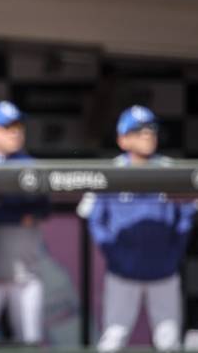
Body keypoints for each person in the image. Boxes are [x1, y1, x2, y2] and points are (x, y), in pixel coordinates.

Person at [82, 105, 195, 352]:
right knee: (113, 338)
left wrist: (173, 253)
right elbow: (93, 218)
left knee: (169, 341)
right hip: (123, 275)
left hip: (164, 273)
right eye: (138, 130)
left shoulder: (171, 170)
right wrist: (115, 255)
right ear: (123, 139)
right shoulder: (109, 172)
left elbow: (186, 214)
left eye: (151, 129)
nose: (147, 135)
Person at [0, 101, 48, 345]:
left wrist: (2, 206)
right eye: (7, 127)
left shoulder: (31, 166)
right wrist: (17, 213)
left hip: (26, 274)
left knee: (31, 340)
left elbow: (43, 208)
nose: (15, 132)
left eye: (18, 126)